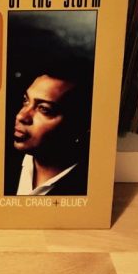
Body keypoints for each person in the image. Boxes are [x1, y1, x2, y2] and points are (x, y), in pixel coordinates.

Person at [13, 62, 92, 196]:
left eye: (44, 109)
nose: (21, 116)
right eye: (26, 100)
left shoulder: (87, 186)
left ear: (81, 125)